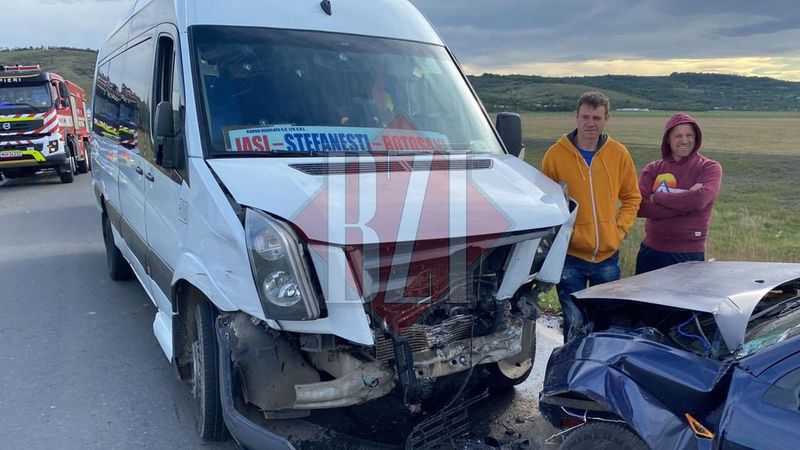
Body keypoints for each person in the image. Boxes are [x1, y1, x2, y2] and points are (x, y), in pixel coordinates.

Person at [541, 91, 641, 341]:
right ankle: (571, 365)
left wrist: (618, 231)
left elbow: (632, 197)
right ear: (576, 116)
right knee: (574, 323)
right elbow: (546, 204)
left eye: (596, 118)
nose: (590, 123)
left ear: (606, 119)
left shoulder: (618, 153)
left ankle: (596, 365)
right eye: (585, 117)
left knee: (604, 325)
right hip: (570, 257)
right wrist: (566, 236)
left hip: (607, 258)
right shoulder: (555, 155)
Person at [635, 112, 722, 274]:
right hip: (651, 252)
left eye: (689, 135)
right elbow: (640, 207)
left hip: (689, 254)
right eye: (678, 136)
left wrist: (657, 197)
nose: (684, 140)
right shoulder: (653, 169)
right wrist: (686, 202)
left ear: (696, 137)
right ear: (668, 139)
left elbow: (698, 201)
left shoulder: (709, 168)